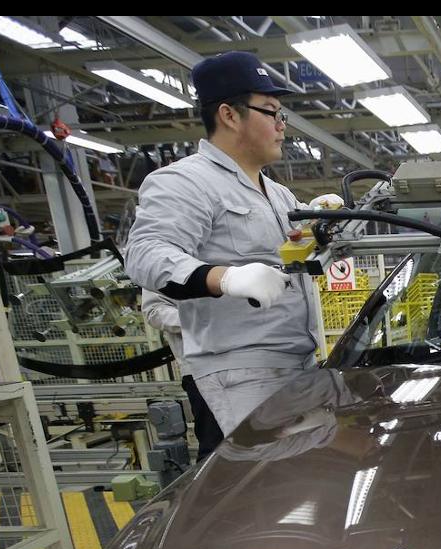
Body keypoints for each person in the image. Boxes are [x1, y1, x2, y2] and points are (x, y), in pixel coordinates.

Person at [125, 51, 333, 435]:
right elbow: (144, 253)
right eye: (272, 112)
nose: (282, 126)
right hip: (243, 371)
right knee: (269, 483)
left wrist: (327, 220)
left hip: (298, 362)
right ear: (230, 115)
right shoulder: (185, 182)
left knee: (304, 479)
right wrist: (225, 279)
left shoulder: (278, 194)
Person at [140, 289, 223, 461]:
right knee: (215, 446)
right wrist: (201, 321)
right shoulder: (160, 263)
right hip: (202, 367)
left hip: (258, 361)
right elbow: (154, 310)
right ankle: (213, 486)